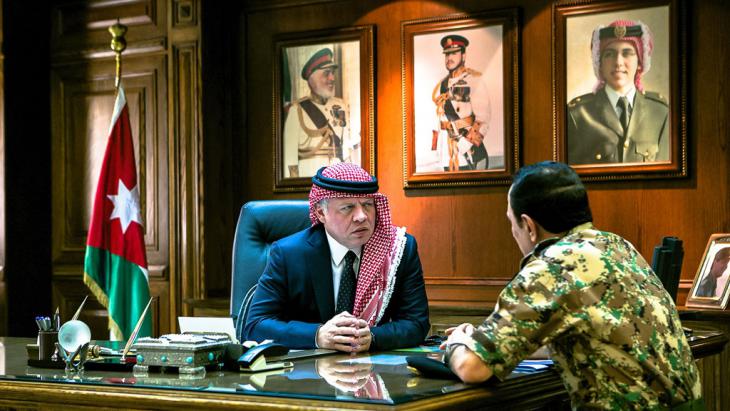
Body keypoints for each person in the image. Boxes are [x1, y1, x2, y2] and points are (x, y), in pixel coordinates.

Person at [442, 161, 702, 410]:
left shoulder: (549, 269)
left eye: (512, 224)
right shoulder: (618, 246)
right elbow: (586, 337)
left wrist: (458, 342)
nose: (513, 233)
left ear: (529, 227)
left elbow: (472, 368)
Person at [244, 163, 430, 352]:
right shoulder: (288, 254)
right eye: (347, 207)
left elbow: (417, 324)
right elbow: (255, 326)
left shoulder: (399, 249)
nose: (361, 217)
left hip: (372, 370)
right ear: (321, 213)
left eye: (367, 205)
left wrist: (373, 337)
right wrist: (317, 335)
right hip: (307, 375)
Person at [568, 20, 670, 165]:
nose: (618, 62)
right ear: (600, 63)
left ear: (640, 62)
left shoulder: (660, 112)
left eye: (627, 53)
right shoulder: (577, 114)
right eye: (609, 54)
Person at [283, 48, 357, 178]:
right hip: (310, 177)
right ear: (313, 79)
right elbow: (290, 158)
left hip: (337, 178)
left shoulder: (341, 106)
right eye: (326, 73)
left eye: (332, 73)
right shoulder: (297, 110)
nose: (332, 78)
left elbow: (346, 152)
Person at [431, 34, 491, 171]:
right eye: (446, 54)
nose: (449, 58)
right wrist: (435, 148)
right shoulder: (442, 85)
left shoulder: (474, 81)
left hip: (465, 152)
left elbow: (483, 118)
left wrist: (466, 144)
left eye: (453, 53)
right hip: (445, 152)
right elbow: (437, 120)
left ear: (463, 56)